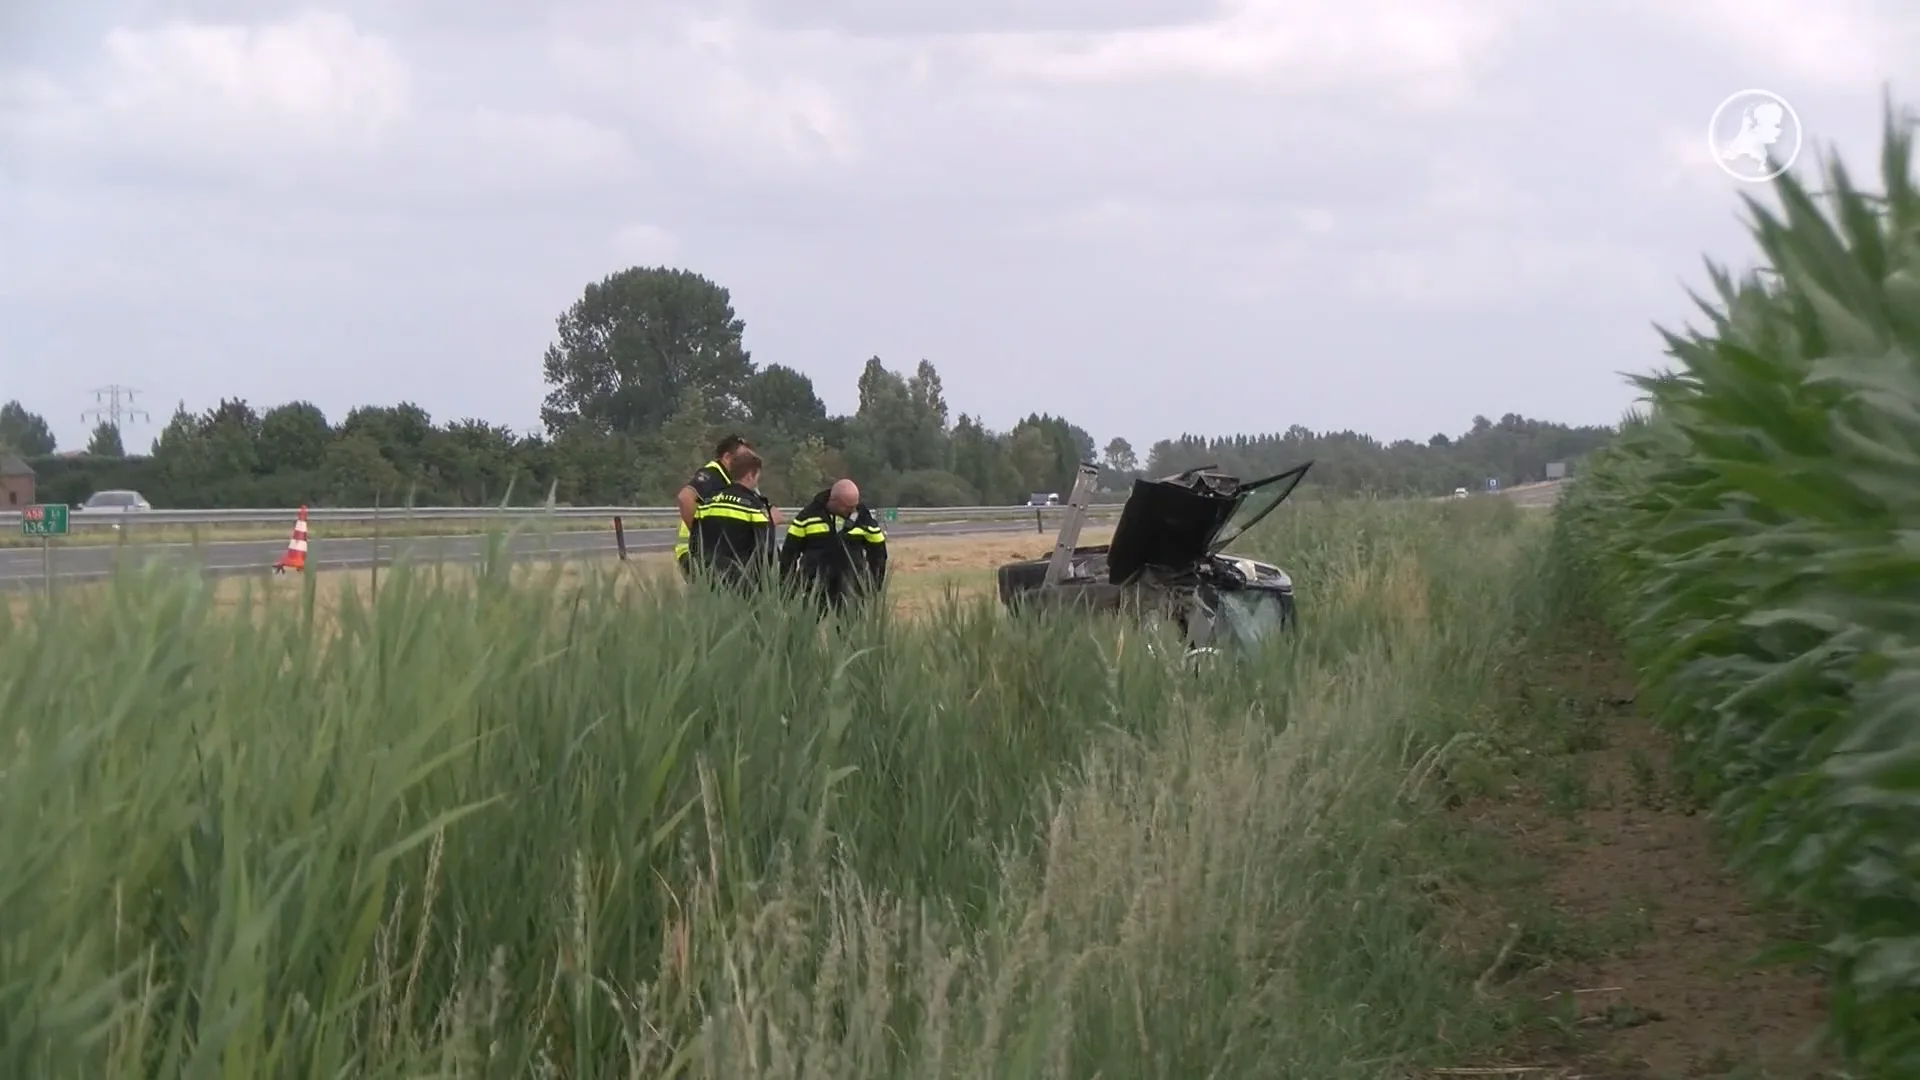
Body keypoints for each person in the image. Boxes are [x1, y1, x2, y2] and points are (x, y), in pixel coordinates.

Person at [779, 478, 889, 613]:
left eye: (854, 506)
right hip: (814, 587)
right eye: (848, 507)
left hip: (850, 589)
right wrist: (787, 587)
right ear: (834, 501)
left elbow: (878, 553)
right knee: (801, 629)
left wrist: (871, 585)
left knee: (849, 632)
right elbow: (789, 553)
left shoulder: (863, 518)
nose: (853, 511)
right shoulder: (807, 517)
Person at [688, 449, 778, 592]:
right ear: (750, 475)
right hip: (743, 586)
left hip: (710, 583)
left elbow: (694, 544)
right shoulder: (754, 507)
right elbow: (766, 553)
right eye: (757, 476)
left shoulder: (708, 501)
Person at [674, 435, 754, 580]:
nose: (747, 464)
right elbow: (685, 498)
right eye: (743, 459)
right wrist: (703, 537)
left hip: (715, 551)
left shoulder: (732, 480)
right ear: (727, 457)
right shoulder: (713, 474)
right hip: (695, 551)